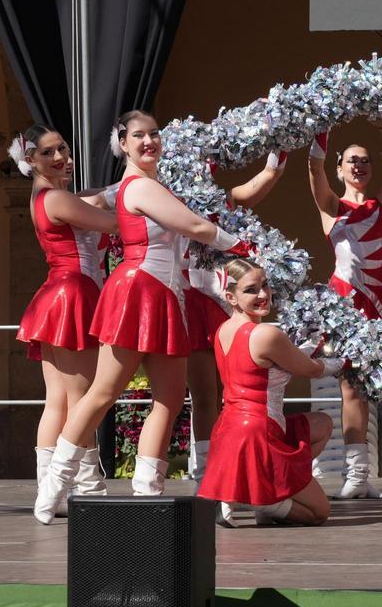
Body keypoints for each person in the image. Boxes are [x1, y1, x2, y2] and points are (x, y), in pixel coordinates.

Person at [33, 110, 252, 523]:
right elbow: (195, 227)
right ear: (123, 143)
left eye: (154, 134)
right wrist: (242, 245)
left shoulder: (144, 186)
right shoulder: (138, 188)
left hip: (165, 295)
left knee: (169, 399)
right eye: (139, 135)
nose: (149, 141)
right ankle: (53, 487)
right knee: (101, 393)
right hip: (138, 291)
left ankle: (148, 491)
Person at [307, 115, 382, 498]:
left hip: (379, 303)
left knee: (370, 391)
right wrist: (322, 124)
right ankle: (354, 478)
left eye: (365, 160)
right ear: (340, 169)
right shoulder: (331, 207)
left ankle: (364, 478)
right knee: (350, 389)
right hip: (345, 306)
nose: (359, 165)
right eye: (351, 160)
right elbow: (314, 167)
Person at [13, 126, 117, 507]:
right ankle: (87, 486)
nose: (62, 158)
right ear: (31, 160)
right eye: (49, 153)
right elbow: (113, 222)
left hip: (57, 294)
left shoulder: (45, 195)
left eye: (64, 150)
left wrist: (113, 193)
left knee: (58, 398)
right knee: (81, 398)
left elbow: (93, 201)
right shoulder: (56, 197)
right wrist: (142, 197)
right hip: (72, 293)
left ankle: (51, 488)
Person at [198, 259, 344, 526]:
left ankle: (271, 494)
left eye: (265, 285)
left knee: (322, 424)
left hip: (231, 429)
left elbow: (279, 362)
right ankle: (269, 500)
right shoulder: (265, 333)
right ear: (231, 296)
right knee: (319, 513)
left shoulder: (222, 330)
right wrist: (345, 361)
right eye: (251, 290)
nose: (263, 295)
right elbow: (310, 370)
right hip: (259, 432)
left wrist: (310, 345)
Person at [182, 149, 289, 484]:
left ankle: (234, 469)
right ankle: (205, 473)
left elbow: (256, 185)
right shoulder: (169, 205)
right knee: (204, 395)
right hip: (195, 306)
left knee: (233, 395)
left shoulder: (223, 205)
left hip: (228, 310)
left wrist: (277, 152)